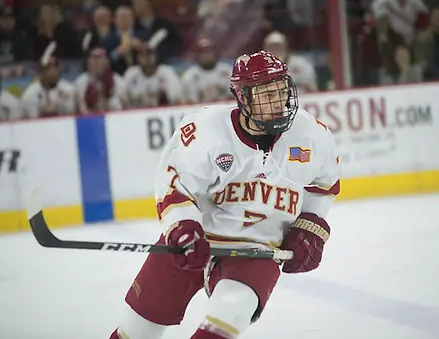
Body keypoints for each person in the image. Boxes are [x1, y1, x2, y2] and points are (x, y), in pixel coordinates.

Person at [108, 50, 341, 339]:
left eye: (282, 90)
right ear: (243, 97)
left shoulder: (313, 135)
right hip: (193, 241)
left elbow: (324, 185)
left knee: (221, 327)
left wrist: (311, 227)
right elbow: (175, 184)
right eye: (267, 94)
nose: (279, 102)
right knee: (134, 333)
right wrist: (183, 229)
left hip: (256, 251)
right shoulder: (205, 131)